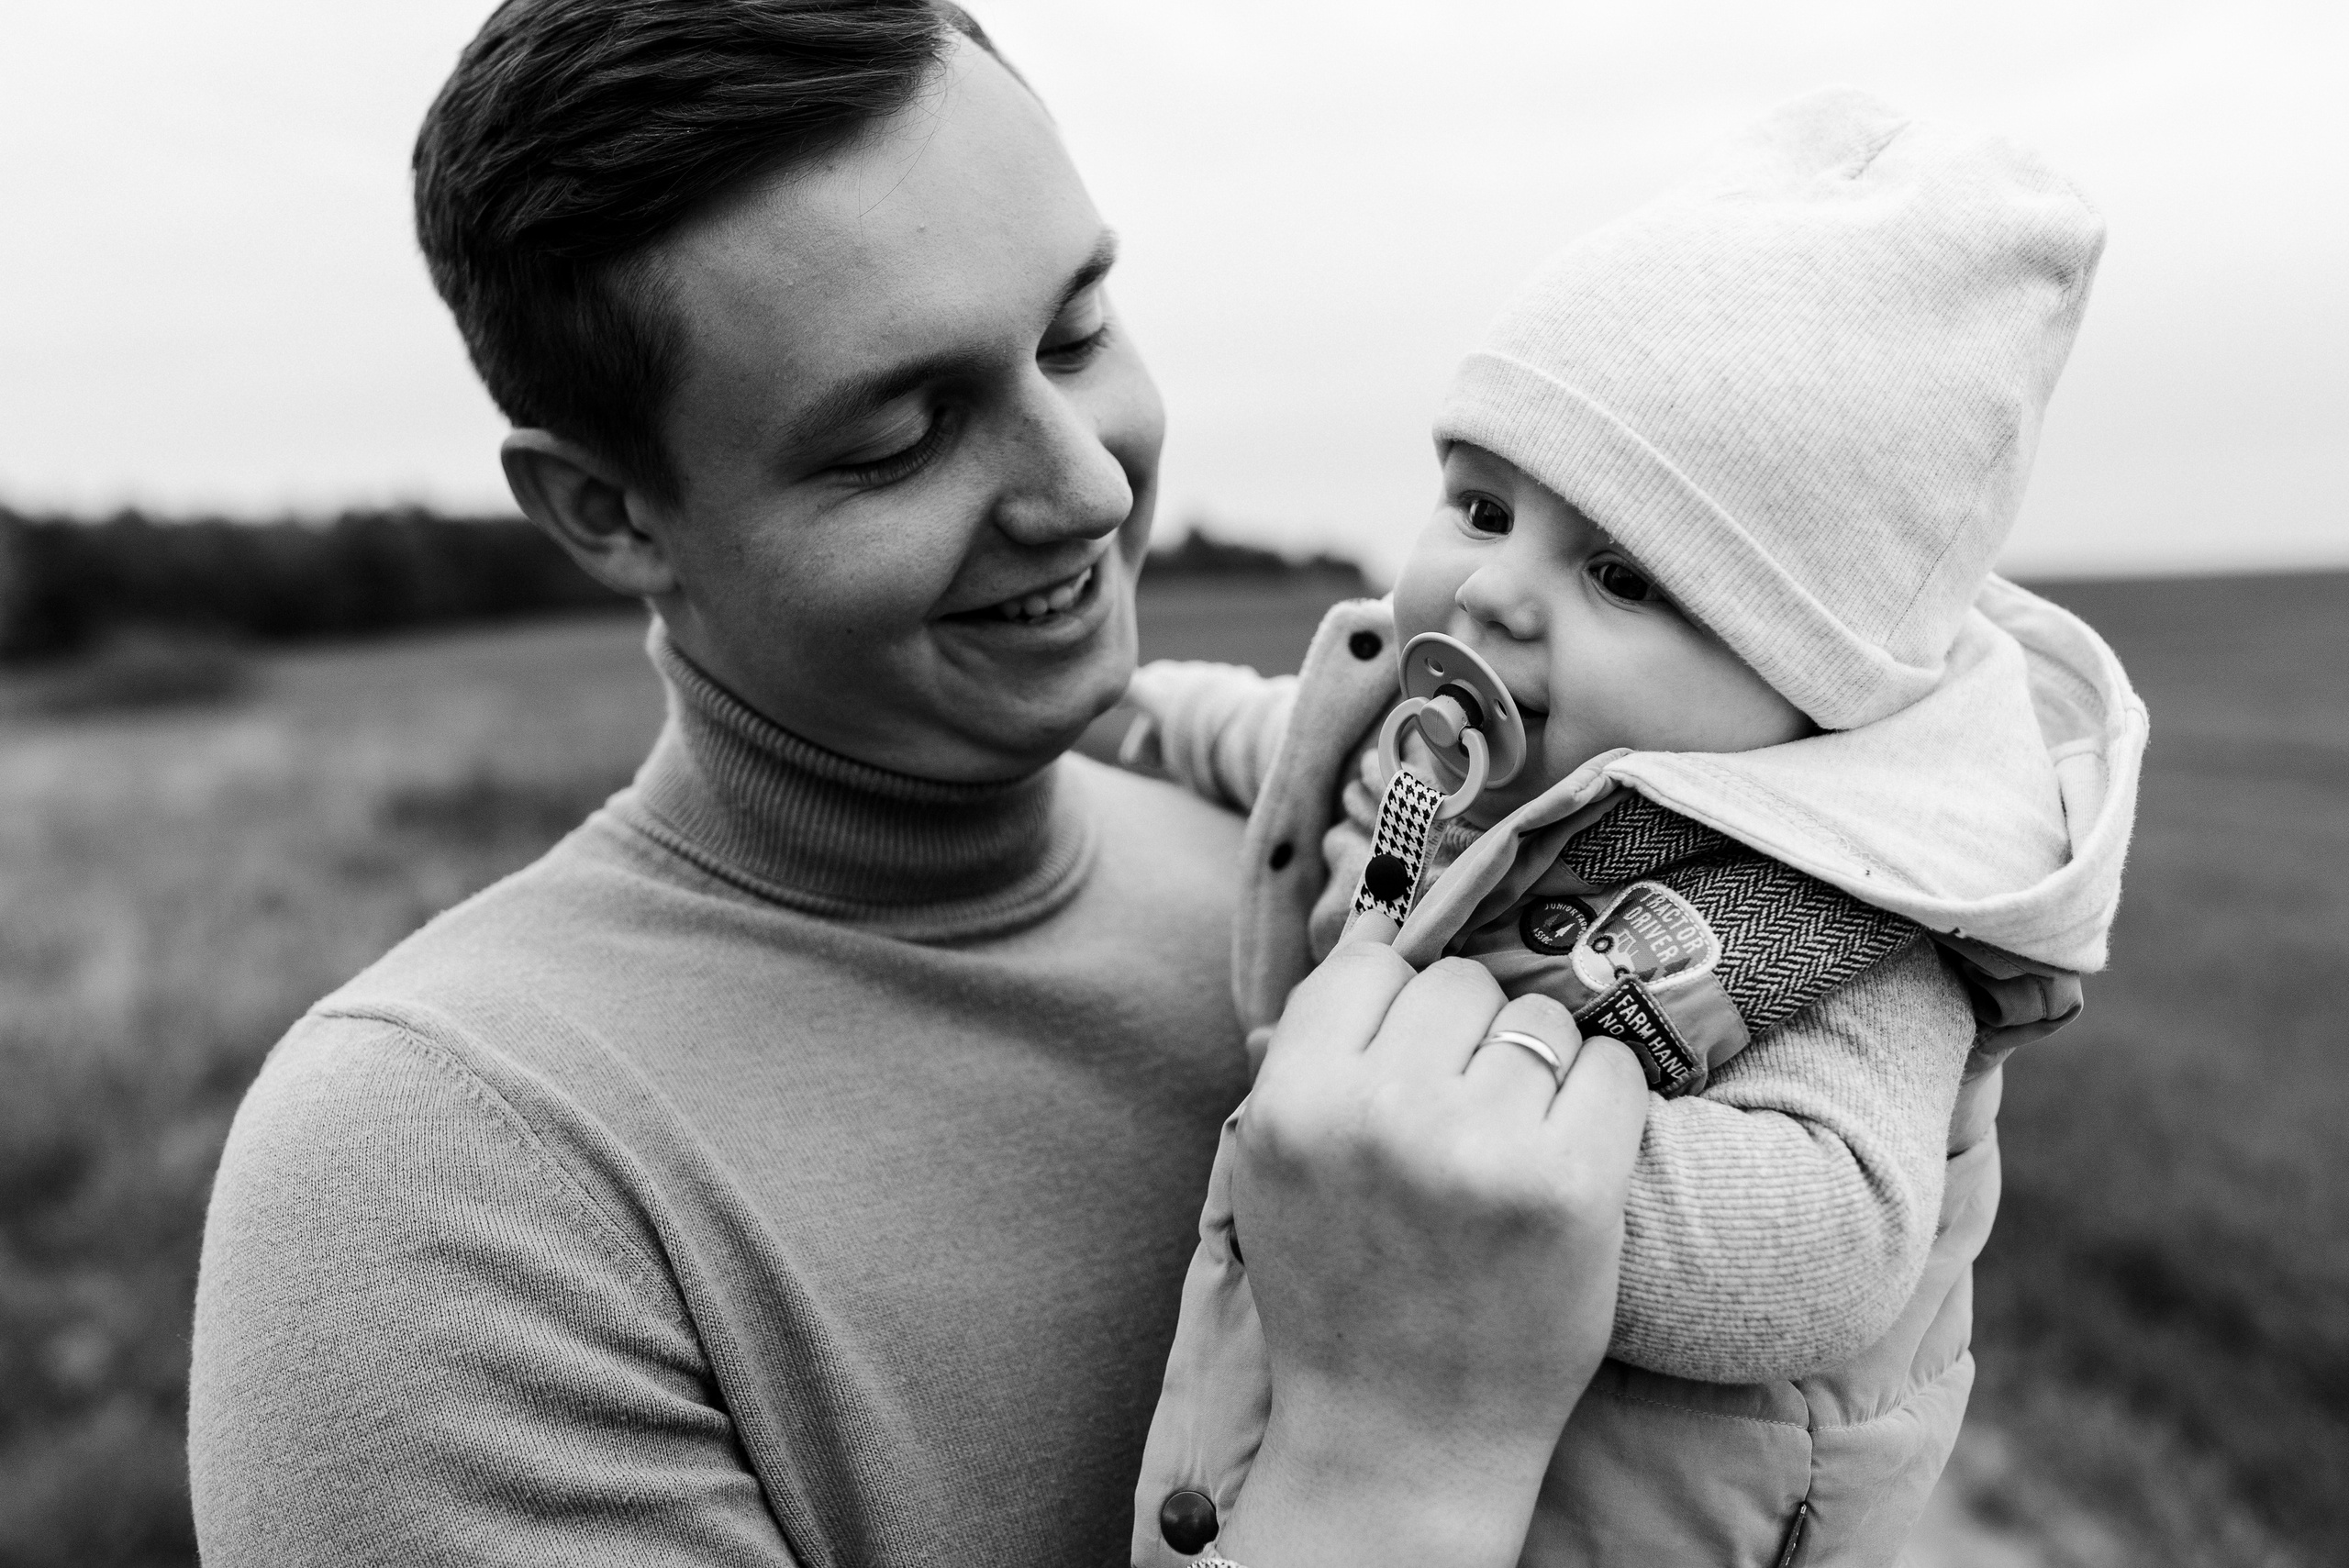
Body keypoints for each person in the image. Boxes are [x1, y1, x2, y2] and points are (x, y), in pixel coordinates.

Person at [184, 4, 1650, 1565]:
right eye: (900, 433)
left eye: (1078, 331)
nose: (1089, 481)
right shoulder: (439, 1187)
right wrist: (1399, 1458)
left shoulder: (1281, 856)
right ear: (607, 512)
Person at [1122, 91, 2148, 1565]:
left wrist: (1474, 1172)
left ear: (1807, 679)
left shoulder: (1847, 916)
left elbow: (1839, 1234)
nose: (1493, 594)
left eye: (1617, 574)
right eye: (1480, 507)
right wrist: (1128, 707)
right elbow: (1270, 731)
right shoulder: (1449, 755)